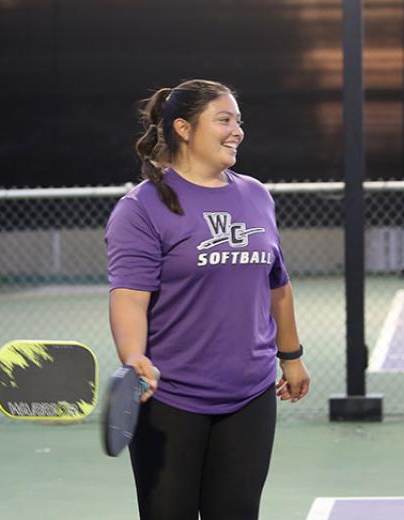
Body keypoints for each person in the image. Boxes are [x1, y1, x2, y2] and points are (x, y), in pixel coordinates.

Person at [105, 79, 311, 520]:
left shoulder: (255, 195)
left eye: (239, 121)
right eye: (224, 120)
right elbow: (129, 298)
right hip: (169, 396)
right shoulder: (141, 208)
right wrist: (134, 357)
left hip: (250, 393)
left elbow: (277, 284)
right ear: (183, 128)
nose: (236, 131)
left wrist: (290, 356)